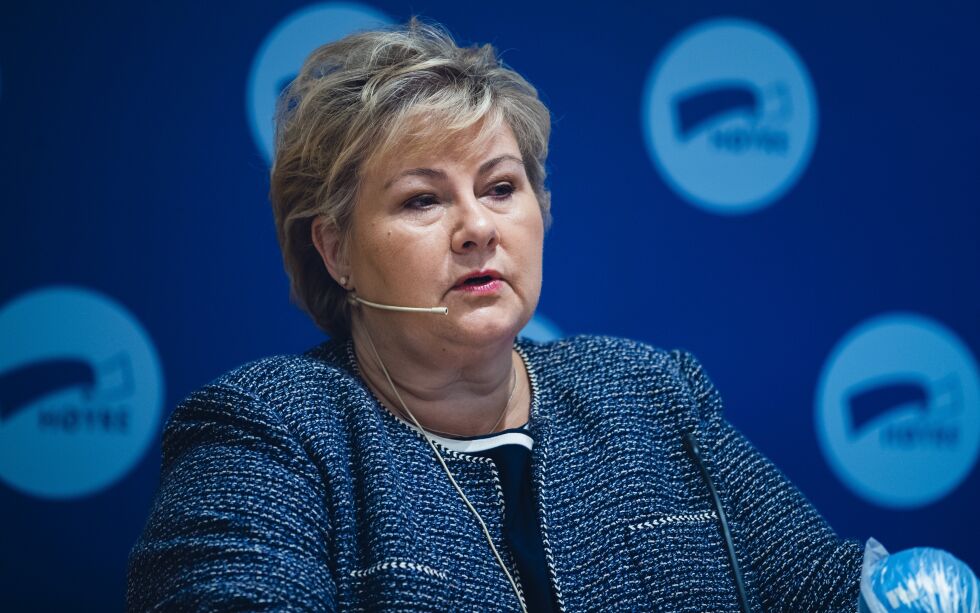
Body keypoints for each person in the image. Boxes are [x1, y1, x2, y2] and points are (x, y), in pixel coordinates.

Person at [126, 18, 862, 612]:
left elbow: (832, 589)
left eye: (501, 187)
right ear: (336, 249)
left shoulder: (650, 393)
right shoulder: (268, 433)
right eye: (423, 198)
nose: (478, 227)